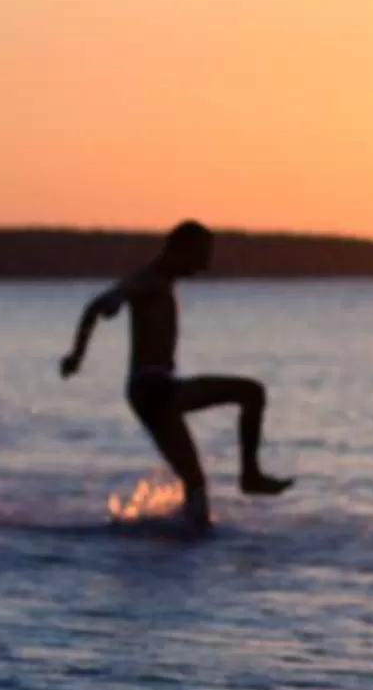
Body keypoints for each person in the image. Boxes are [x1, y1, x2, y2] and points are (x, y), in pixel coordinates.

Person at [59, 220, 292, 531]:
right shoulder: (148, 280)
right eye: (201, 255)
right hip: (153, 388)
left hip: (151, 389)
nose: (205, 264)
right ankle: (248, 477)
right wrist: (77, 354)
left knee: (195, 481)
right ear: (180, 250)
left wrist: (79, 353)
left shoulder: (160, 282)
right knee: (251, 392)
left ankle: (188, 541)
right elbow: (98, 304)